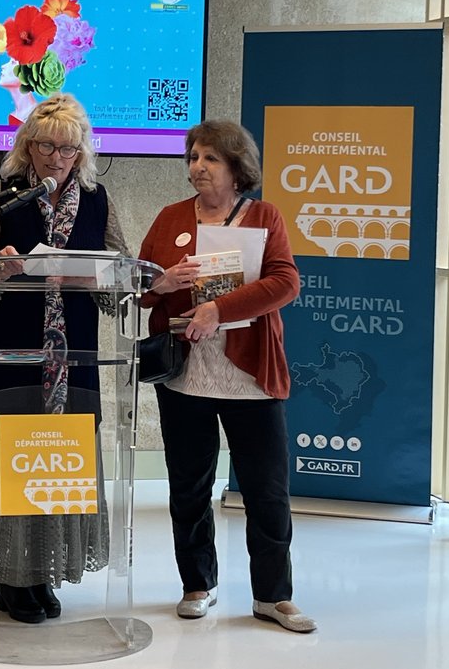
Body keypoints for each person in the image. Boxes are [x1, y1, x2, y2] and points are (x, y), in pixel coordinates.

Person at [0, 93, 130, 624]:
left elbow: (121, 271)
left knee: (58, 464)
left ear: (82, 152)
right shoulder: (0, 196)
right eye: (47, 146)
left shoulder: (100, 200)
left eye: (69, 149)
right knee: (16, 462)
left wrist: (97, 275)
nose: (57, 158)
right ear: (27, 146)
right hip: (10, 356)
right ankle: (13, 578)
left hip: (76, 360)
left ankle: (47, 571)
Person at [137, 120, 316, 633]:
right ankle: (198, 584)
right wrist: (161, 283)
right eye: (193, 157)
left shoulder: (264, 216)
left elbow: (285, 282)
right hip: (186, 376)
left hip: (249, 376)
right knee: (188, 487)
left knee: (266, 489)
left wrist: (218, 307)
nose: (197, 167)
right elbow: (142, 285)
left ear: (237, 167)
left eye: (210, 158)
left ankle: (273, 597)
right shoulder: (171, 217)